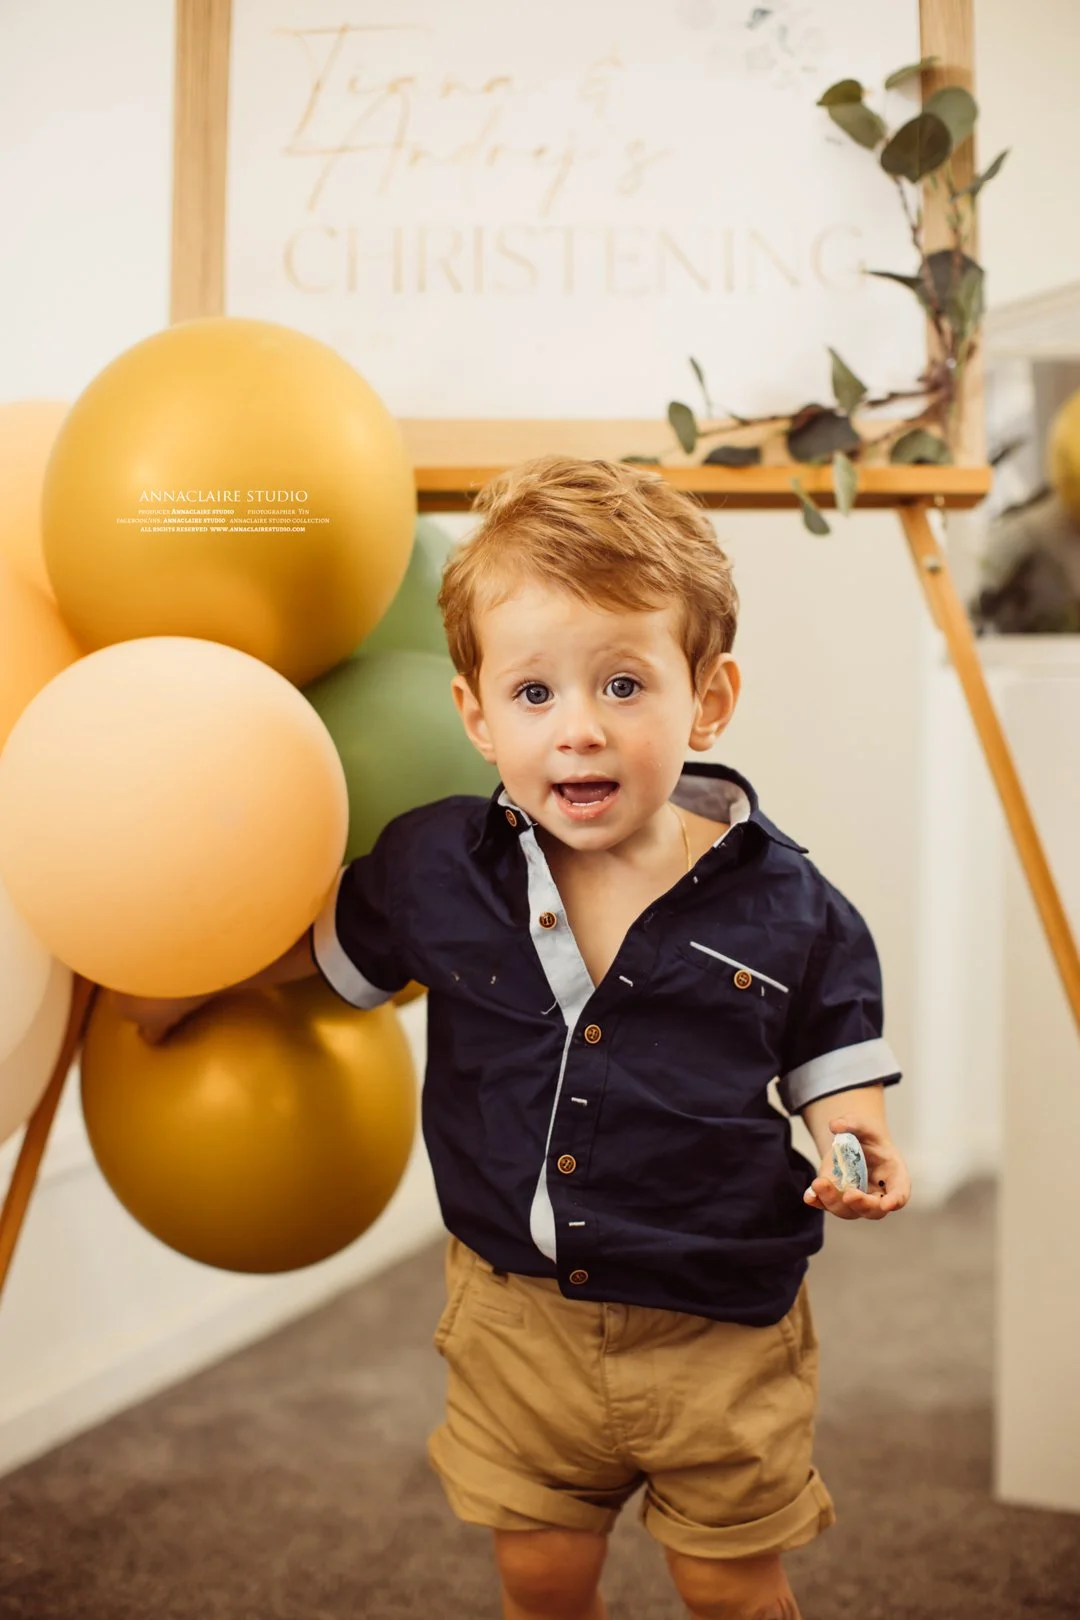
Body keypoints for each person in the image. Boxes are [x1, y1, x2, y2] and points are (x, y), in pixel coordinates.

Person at [119, 456, 911, 1620]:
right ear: (476, 714)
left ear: (710, 699)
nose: (579, 732)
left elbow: (834, 1066)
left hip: (720, 1323)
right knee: (539, 1575)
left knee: (732, 1584)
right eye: (535, 694)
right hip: (514, 1316)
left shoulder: (793, 907)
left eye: (625, 686)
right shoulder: (435, 867)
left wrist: (858, 1145)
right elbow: (307, 946)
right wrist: (180, 983)